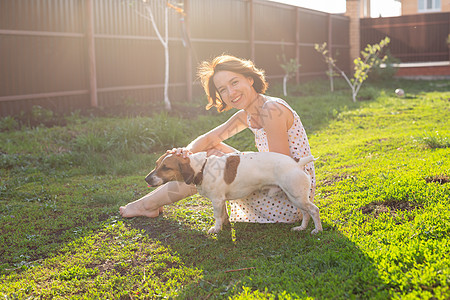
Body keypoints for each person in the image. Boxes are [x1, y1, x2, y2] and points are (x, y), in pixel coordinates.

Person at [119, 54, 315, 223]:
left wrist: (227, 167)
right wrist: (186, 153)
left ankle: (147, 205)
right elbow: (209, 139)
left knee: (206, 168)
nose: (231, 93)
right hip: (271, 178)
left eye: (234, 82)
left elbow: (281, 166)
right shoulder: (246, 114)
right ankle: (149, 204)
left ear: (250, 79)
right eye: (222, 89)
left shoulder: (272, 110)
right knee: (206, 156)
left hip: (288, 197)